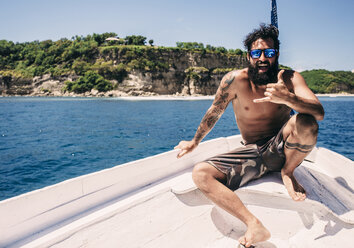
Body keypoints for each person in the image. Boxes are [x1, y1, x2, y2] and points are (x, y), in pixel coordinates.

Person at [174, 24, 324, 247]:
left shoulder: (289, 79)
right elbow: (215, 110)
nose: (263, 58)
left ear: (277, 55)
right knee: (201, 174)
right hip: (253, 151)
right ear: (249, 56)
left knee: (306, 122)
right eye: (257, 53)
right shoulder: (234, 81)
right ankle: (254, 225)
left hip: (284, 147)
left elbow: (319, 112)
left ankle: (288, 172)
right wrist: (195, 141)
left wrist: (289, 99)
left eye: (269, 53)